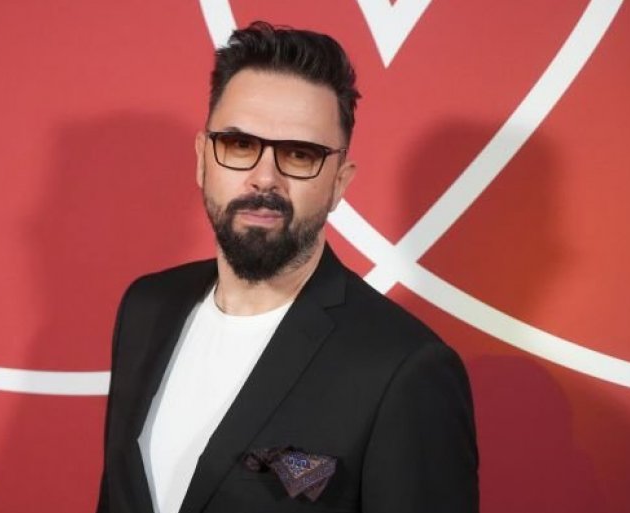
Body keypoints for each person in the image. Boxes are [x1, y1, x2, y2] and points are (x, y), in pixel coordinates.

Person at [96, 21, 478, 513]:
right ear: (202, 158)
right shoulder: (147, 308)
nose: (264, 178)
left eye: (300, 154)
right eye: (239, 145)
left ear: (339, 183)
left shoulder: (404, 369)